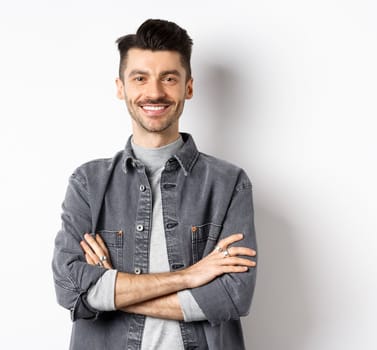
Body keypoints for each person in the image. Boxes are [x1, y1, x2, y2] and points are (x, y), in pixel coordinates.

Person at [51, 19, 258, 350]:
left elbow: (233, 297)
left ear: (188, 87)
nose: (155, 92)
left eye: (169, 78)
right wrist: (189, 277)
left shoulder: (229, 183)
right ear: (121, 88)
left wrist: (110, 293)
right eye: (140, 78)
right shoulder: (88, 184)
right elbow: (68, 288)